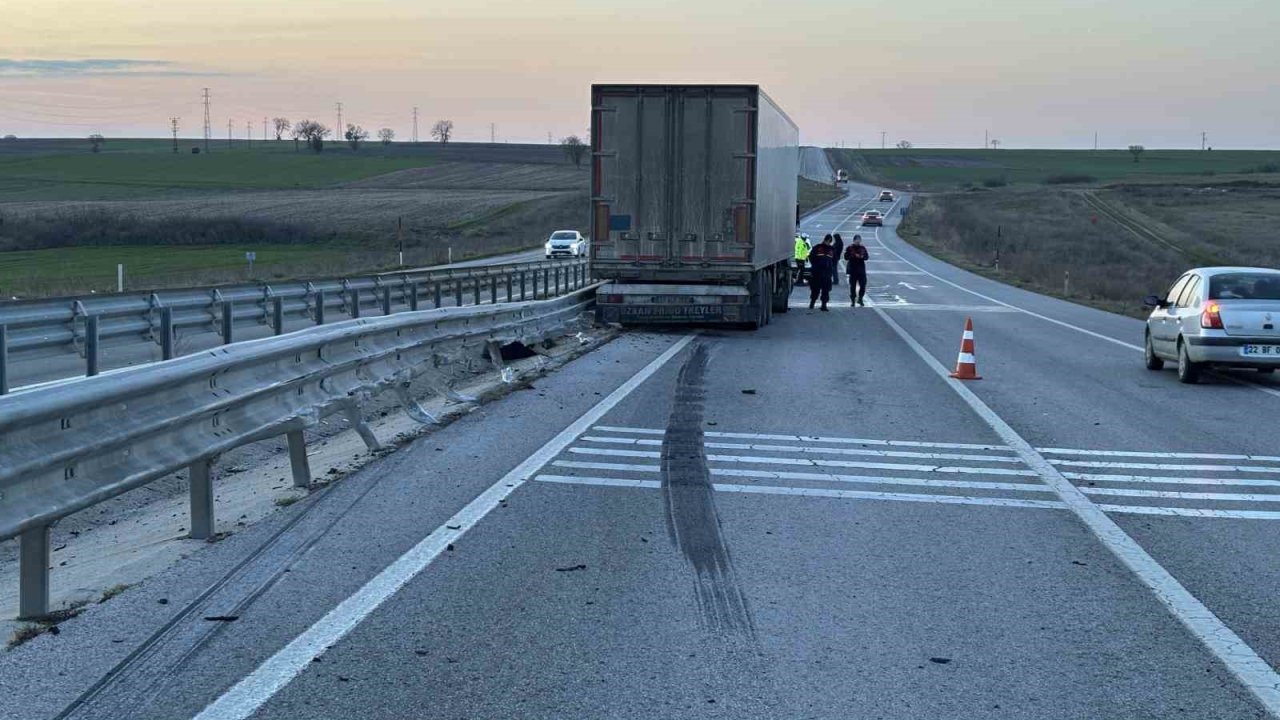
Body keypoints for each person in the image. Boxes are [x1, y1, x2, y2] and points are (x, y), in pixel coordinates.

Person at [808, 234, 836, 311]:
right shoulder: (817, 247)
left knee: (826, 289)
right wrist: (816, 265)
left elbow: (835, 260)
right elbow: (811, 257)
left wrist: (830, 267)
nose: (828, 242)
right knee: (815, 289)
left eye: (829, 241)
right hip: (817, 272)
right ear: (824, 240)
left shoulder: (832, 249)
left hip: (827, 273)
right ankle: (812, 303)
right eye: (827, 241)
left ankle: (824, 305)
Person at [844, 234, 870, 307]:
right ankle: (853, 300)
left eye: (859, 240)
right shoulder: (850, 248)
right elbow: (846, 257)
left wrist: (862, 256)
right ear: (854, 240)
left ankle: (860, 298)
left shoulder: (862, 248)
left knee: (863, 285)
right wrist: (853, 256)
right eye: (857, 240)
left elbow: (867, 257)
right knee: (852, 286)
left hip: (861, 270)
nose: (858, 241)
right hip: (853, 269)